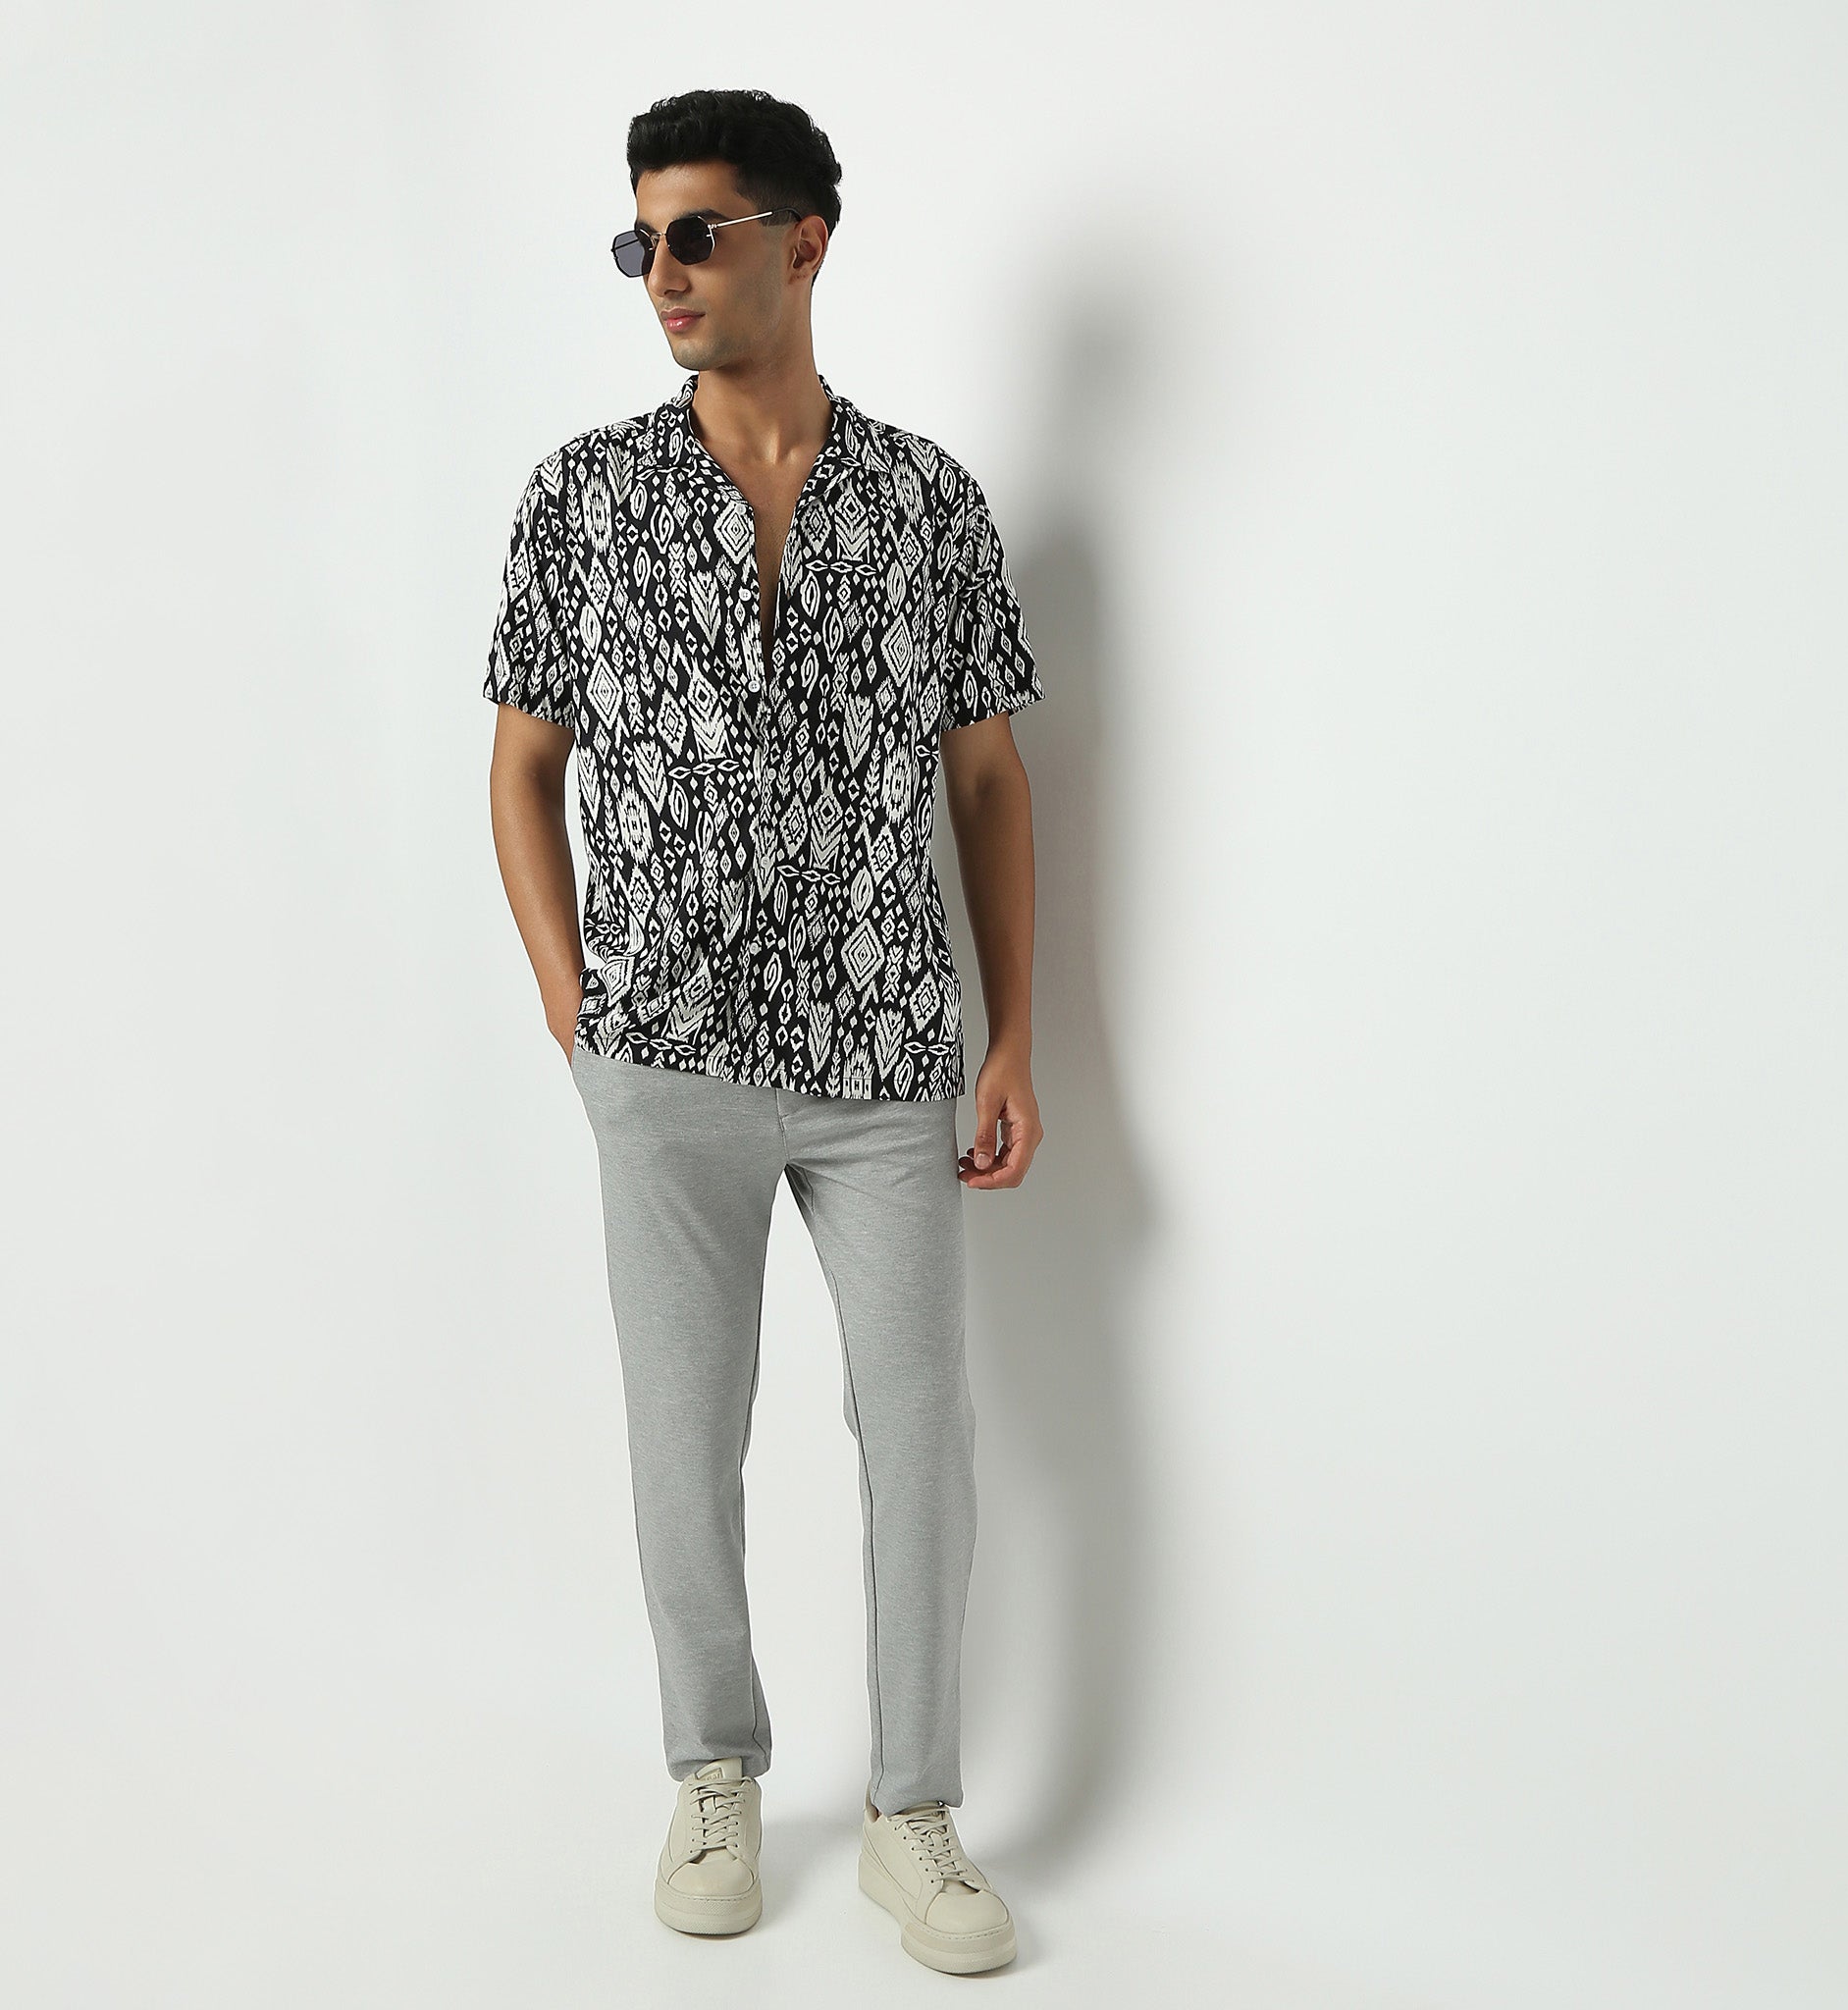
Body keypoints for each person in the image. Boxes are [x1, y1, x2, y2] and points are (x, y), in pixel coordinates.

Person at [480, 87, 1041, 1978]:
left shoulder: (928, 502)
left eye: (697, 234)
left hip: (885, 1058)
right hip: (664, 1060)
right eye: (639, 240)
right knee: (681, 1438)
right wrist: (571, 1000)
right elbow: (523, 766)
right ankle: (712, 1772)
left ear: (804, 241)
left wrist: (1012, 1038)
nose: (662, 272)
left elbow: (987, 780)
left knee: (922, 1435)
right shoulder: (582, 497)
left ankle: (914, 1813)